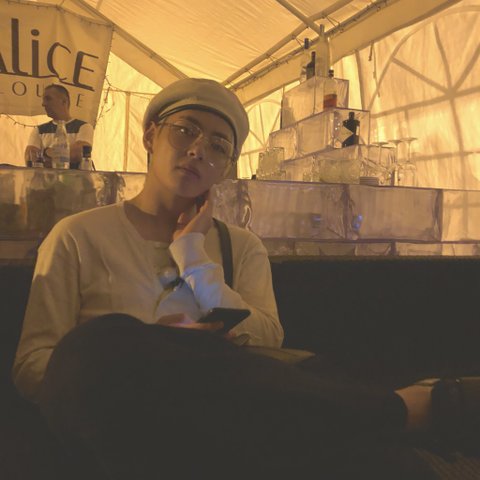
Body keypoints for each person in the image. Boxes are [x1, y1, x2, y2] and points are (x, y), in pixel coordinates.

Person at [11, 78, 473, 479]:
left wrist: (193, 257)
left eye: (217, 146)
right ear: (151, 135)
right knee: (102, 347)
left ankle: (405, 432)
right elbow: (33, 364)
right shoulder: (78, 235)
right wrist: (151, 352)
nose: (198, 149)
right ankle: (408, 410)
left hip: (224, 424)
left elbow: (269, 337)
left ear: (227, 167)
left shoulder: (240, 246)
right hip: (122, 420)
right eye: (185, 130)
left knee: (356, 448)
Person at [24, 84, 94, 168]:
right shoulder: (39, 130)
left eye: (48, 99)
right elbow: (30, 157)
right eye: (43, 100)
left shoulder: (83, 127)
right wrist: (62, 156)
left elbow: (77, 153)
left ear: (64, 102)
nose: (43, 104)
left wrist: (45, 153)